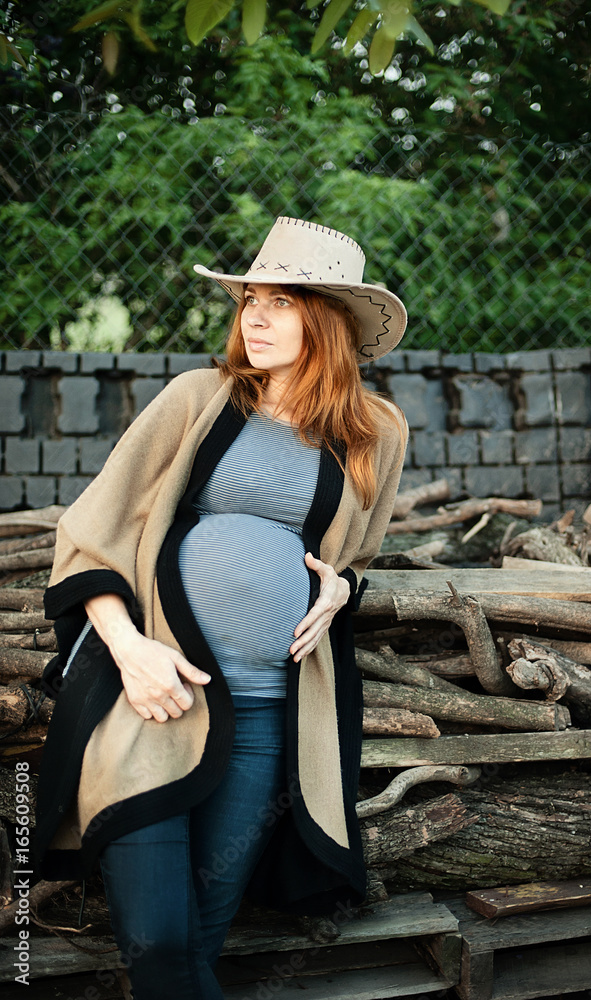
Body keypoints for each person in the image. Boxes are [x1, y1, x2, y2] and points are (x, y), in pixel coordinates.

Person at [35, 216, 408, 1000]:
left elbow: (356, 553)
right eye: (249, 301)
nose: (256, 317)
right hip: (155, 702)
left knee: (205, 929)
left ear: (330, 320)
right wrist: (131, 653)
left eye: (281, 301)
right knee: (161, 942)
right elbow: (92, 531)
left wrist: (340, 586)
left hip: (271, 716)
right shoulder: (198, 398)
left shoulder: (377, 431)